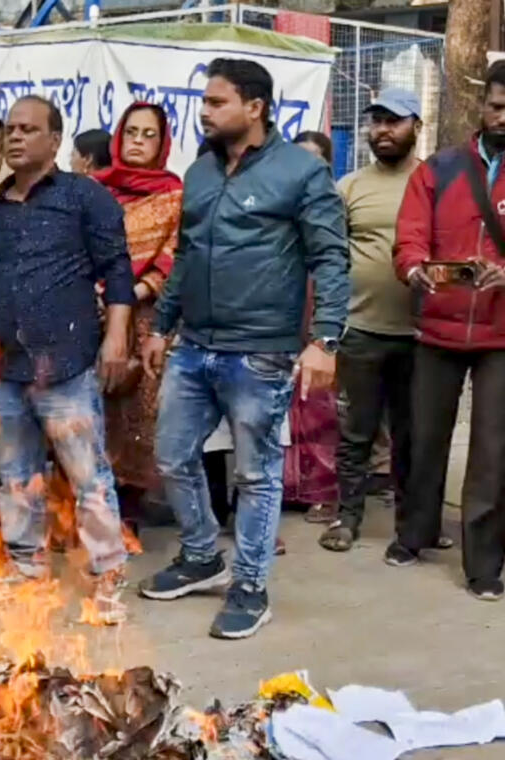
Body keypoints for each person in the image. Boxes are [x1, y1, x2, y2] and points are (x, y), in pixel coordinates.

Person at [138, 58, 349, 639]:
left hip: (260, 353)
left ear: (254, 107)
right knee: (172, 455)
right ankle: (203, 555)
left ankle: (250, 587)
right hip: (194, 345)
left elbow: (331, 258)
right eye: (204, 102)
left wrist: (326, 339)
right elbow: (186, 256)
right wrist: (162, 325)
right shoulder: (201, 172)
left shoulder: (300, 174)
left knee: (255, 477)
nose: (204, 112)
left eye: (216, 102)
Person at [0, 95, 134, 620]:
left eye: (27, 129)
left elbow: (117, 270)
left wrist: (116, 338)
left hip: (66, 364)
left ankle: (108, 573)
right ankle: (26, 567)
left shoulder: (84, 197)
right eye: (9, 129)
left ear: (54, 139)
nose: (15, 137)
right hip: (7, 365)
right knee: (15, 473)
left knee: (88, 477)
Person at [391, 62, 505, 600]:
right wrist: (415, 267)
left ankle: (483, 564)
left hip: (501, 336)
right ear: (483, 105)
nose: (502, 117)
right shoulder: (439, 168)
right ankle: (414, 535)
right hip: (438, 324)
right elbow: (410, 233)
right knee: (424, 437)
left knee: (492, 451)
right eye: (497, 106)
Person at [319, 89, 422, 553]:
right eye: (376, 121)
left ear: (416, 126)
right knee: (355, 433)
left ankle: (414, 524)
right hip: (359, 330)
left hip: (422, 336)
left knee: (414, 436)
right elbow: (332, 258)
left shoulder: (434, 182)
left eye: (393, 121)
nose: (382, 130)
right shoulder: (350, 187)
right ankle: (347, 518)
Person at [93, 103, 182, 520]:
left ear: (162, 143)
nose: (138, 142)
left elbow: (174, 255)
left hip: (145, 318)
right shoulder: (93, 190)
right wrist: (97, 293)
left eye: (149, 135)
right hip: (88, 312)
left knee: (137, 414)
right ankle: (84, 509)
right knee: (86, 409)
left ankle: (127, 516)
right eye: (131, 132)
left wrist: (130, 295)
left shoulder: (174, 194)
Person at [273, 131, 340, 522]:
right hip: (283, 309)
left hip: (321, 311)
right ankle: (286, 488)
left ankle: (323, 491)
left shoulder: (332, 207)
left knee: (318, 406)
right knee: (283, 402)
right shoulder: (277, 205)